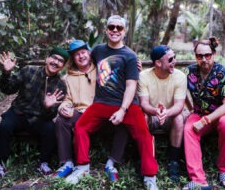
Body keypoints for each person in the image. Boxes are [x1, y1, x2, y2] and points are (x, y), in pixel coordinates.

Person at [65, 15, 159, 190]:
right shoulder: (98, 50)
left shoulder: (130, 56)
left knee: (144, 136)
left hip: (127, 104)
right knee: (80, 127)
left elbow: (131, 86)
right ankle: (83, 167)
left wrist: (123, 110)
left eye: (119, 28)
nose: (115, 30)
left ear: (124, 32)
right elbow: (81, 57)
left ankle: (149, 176)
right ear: (106, 30)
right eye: (111, 27)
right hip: (102, 102)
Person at [52, 39, 129, 181]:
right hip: (80, 113)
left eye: (83, 52)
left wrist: (136, 68)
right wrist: (64, 107)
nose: (81, 56)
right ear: (73, 59)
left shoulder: (102, 69)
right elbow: (67, 99)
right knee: (61, 120)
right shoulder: (67, 78)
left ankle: (112, 163)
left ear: (89, 53)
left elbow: (124, 77)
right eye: (76, 54)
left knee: (125, 120)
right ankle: (67, 162)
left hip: (101, 112)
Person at [0, 47, 69, 180]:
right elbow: (7, 89)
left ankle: (43, 163)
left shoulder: (60, 86)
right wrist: (6, 73)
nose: (56, 62)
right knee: (5, 126)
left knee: (50, 128)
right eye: (54, 58)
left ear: (63, 66)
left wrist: (47, 107)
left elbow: (50, 116)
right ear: (47, 59)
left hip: (38, 117)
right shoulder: (28, 71)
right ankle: (1, 164)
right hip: (18, 112)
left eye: (60, 61)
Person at [182, 37, 225, 190]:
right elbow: (178, 87)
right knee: (188, 129)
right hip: (199, 113)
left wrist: (206, 121)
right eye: (200, 56)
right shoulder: (189, 71)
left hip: (222, 113)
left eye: (207, 55)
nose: (204, 59)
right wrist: (189, 107)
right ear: (195, 57)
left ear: (213, 54)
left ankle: (224, 169)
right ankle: (198, 179)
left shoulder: (223, 73)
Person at [138, 45, 187, 182]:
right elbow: (144, 104)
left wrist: (166, 112)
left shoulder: (180, 77)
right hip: (152, 115)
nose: (174, 62)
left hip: (169, 115)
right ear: (158, 63)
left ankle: (174, 160)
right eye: (170, 59)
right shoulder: (144, 76)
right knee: (143, 116)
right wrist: (155, 111)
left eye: (174, 58)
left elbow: (179, 105)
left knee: (179, 118)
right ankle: (144, 158)